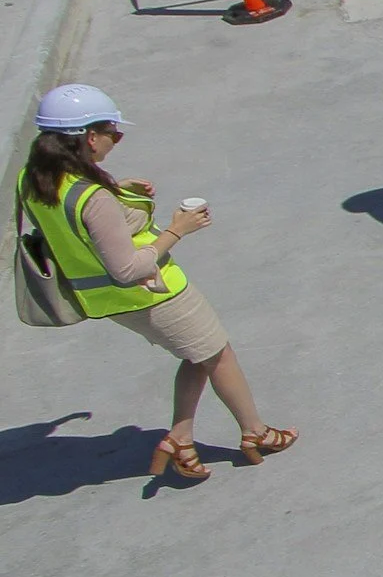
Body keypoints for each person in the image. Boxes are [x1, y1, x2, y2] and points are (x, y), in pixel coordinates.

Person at [17, 84, 297, 482]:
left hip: (103, 299)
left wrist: (119, 191)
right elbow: (128, 268)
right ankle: (256, 433)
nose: (117, 139)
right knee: (218, 355)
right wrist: (178, 230)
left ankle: (180, 439)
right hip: (152, 293)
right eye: (112, 132)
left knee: (197, 354)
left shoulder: (33, 177)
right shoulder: (91, 197)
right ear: (88, 137)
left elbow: (73, 220)